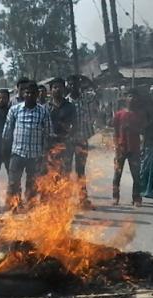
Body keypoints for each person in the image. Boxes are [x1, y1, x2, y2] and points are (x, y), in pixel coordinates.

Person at [3, 81, 52, 210]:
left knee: (32, 185)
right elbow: (7, 132)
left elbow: (48, 133)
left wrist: (46, 155)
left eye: (32, 93)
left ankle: (30, 210)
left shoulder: (43, 112)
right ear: (23, 94)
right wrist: (7, 151)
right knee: (13, 184)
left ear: (37, 95)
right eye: (27, 92)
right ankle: (11, 209)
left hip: (35, 155)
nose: (29, 95)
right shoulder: (14, 110)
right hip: (17, 153)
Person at [111, 89, 147, 206]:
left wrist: (133, 130)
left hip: (134, 149)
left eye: (134, 97)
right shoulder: (119, 114)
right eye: (130, 96)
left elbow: (143, 130)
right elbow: (115, 132)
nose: (132, 99)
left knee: (136, 175)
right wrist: (116, 146)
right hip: (121, 149)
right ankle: (115, 197)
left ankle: (136, 198)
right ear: (125, 98)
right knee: (117, 174)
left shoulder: (140, 114)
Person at [66, 75, 96, 208]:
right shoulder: (66, 101)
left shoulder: (87, 98)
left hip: (82, 139)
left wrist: (86, 80)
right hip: (68, 141)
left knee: (80, 171)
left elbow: (96, 91)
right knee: (66, 170)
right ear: (68, 86)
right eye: (71, 85)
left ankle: (82, 199)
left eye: (76, 84)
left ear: (79, 86)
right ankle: (65, 199)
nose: (73, 87)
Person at [46, 77, 76, 173]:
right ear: (50, 90)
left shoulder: (70, 106)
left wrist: (70, 135)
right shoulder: (46, 108)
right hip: (50, 145)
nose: (57, 89)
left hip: (65, 145)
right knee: (51, 173)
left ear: (64, 89)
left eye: (60, 87)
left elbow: (75, 125)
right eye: (55, 87)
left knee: (65, 173)